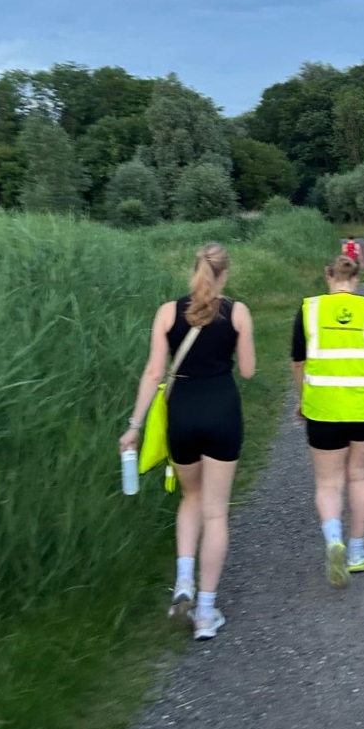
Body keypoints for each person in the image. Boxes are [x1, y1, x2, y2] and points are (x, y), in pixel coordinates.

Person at [120, 243, 255, 640]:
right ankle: (206, 613)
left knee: (190, 498)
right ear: (225, 273)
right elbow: (247, 371)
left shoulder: (166, 312)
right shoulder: (238, 312)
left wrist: (134, 426)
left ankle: (183, 582)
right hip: (222, 412)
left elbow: (151, 373)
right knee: (216, 513)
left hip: (181, 415)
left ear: (193, 270)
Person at [292, 254, 364, 585]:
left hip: (323, 409)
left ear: (328, 277)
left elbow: (298, 364)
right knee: (358, 475)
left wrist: (302, 399)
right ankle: (356, 551)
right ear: (357, 280)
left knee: (328, 483)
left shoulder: (309, 310)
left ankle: (333, 540)